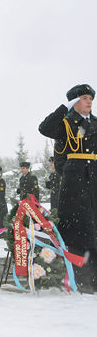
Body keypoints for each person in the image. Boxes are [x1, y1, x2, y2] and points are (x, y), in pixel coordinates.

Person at [39, 84, 97, 293]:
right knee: (77, 232)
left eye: (90, 97)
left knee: (94, 230)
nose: (89, 101)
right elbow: (44, 128)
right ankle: (81, 280)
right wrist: (65, 107)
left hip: (94, 182)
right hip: (74, 184)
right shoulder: (66, 123)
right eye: (84, 98)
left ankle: (95, 279)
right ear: (74, 102)